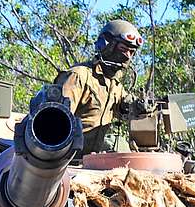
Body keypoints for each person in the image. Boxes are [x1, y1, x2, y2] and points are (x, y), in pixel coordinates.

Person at [53, 19, 149, 155]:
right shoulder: (79, 76)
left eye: (131, 52)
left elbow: (124, 108)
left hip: (92, 160)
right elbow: (56, 120)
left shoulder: (114, 85)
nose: (127, 56)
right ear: (106, 46)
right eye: (123, 49)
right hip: (66, 160)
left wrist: (139, 107)